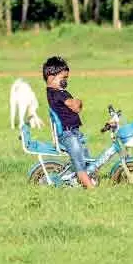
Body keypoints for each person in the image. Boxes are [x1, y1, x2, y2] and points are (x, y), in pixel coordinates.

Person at [43, 56, 95, 189]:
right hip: (68, 134)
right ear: (51, 77)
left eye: (67, 78)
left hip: (71, 131)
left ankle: (89, 178)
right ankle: (90, 187)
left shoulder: (53, 92)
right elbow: (76, 107)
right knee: (80, 162)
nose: (66, 81)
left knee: (86, 157)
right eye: (63, 78)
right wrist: (78, 102)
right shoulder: (60, 94)